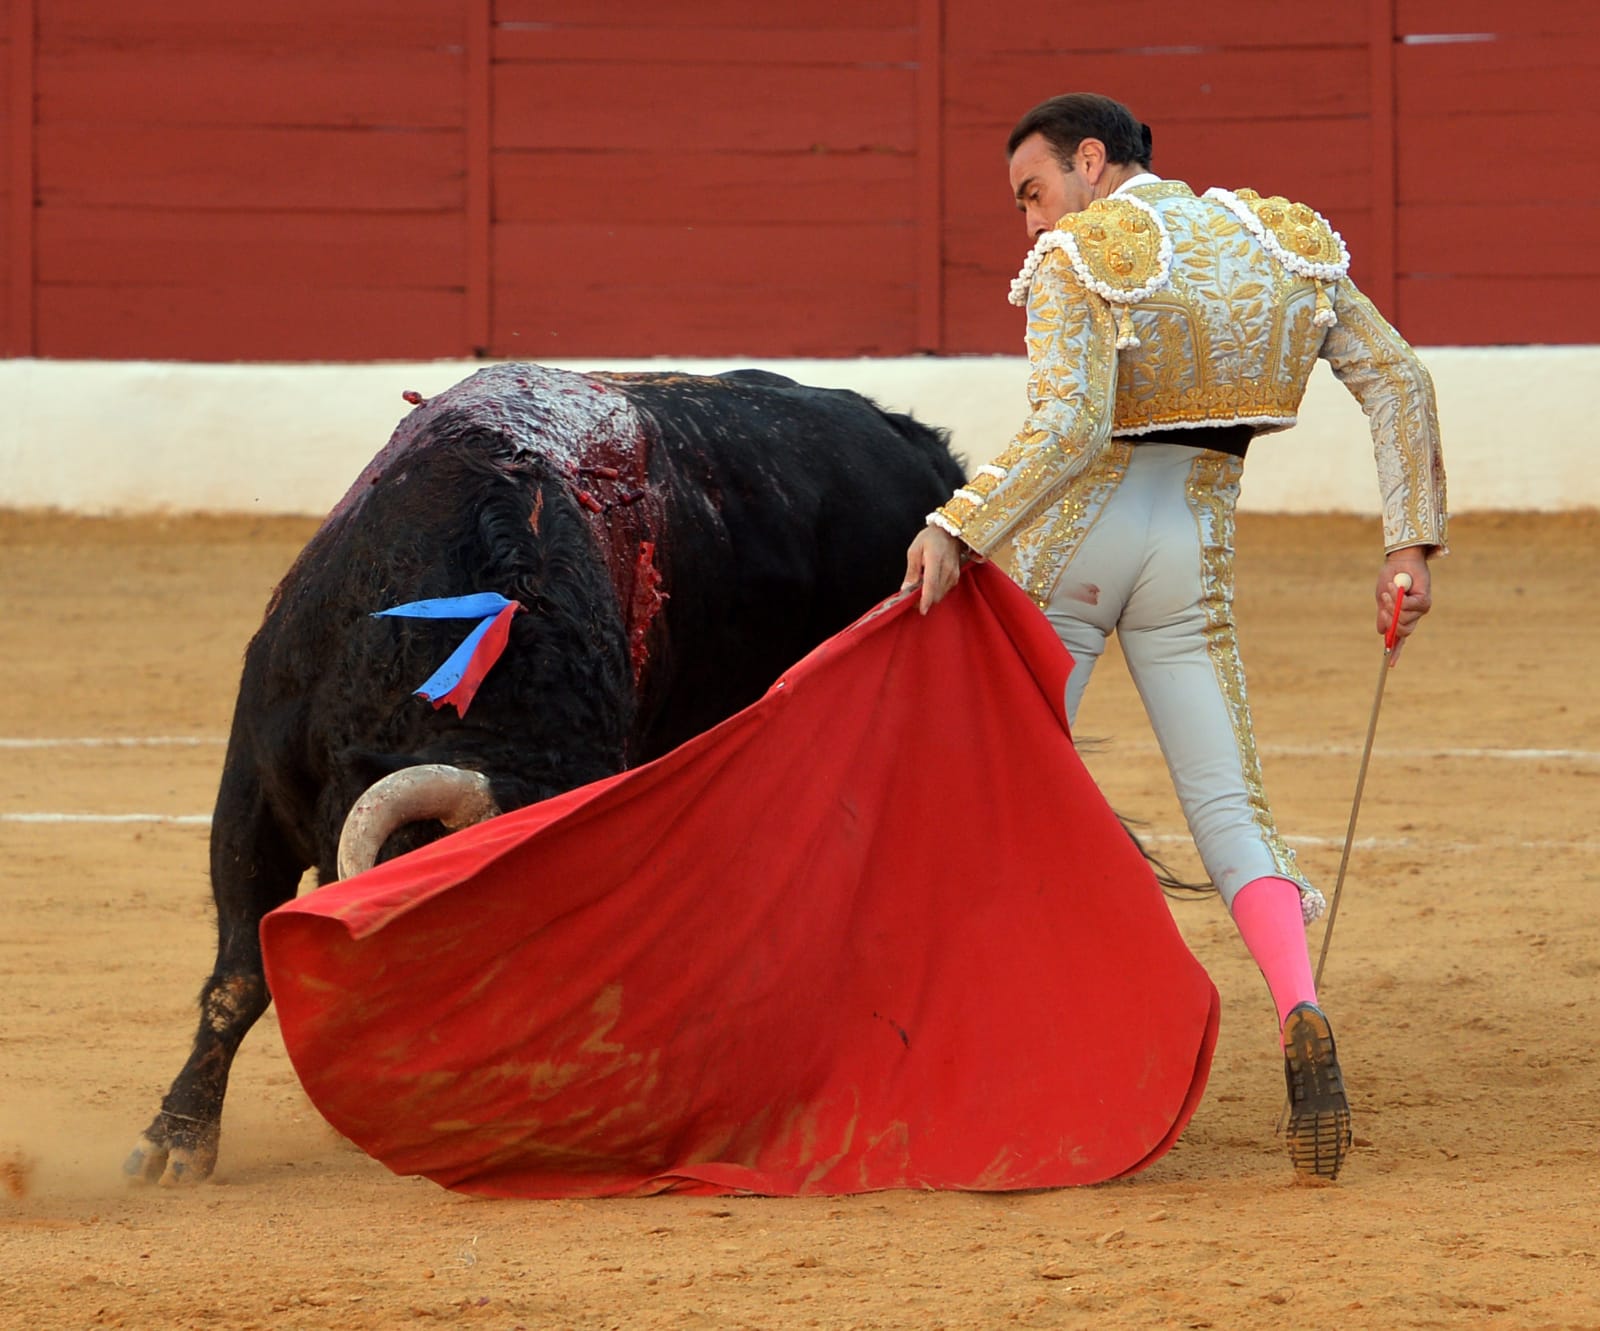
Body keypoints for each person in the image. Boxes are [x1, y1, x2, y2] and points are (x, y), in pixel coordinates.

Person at [903, 92, 1448, 1181]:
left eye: (1033, 191)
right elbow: (1399, 378)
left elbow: (1064, 430)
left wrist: (954, 523)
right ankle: (1297, 998)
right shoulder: (1281, 242)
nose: (1031, 224)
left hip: (1074, 552)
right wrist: (1408, 546)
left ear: (1091, 161)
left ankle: (1008, 1052)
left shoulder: (1081, 255)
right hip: (1191, 549)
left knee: (1000, 798)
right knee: (1229, 805)